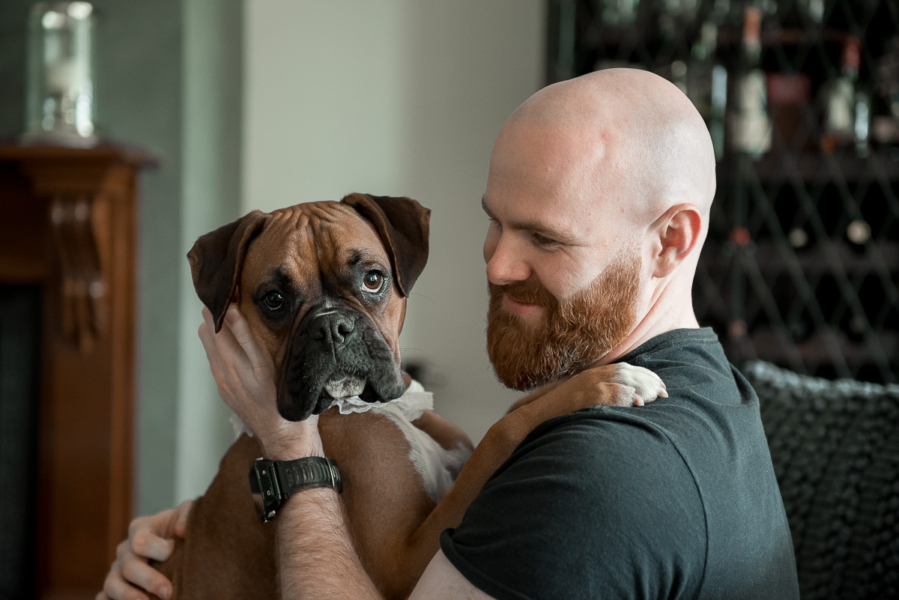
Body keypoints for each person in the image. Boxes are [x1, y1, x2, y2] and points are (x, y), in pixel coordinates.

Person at [100, 68, 799, 600]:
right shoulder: (715, 396)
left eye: (544, 237)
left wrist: (288, 450)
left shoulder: (599, 478)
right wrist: (189, 534)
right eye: (494, 220)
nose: (494, 264)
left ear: (669, 241)